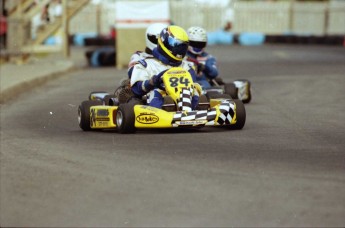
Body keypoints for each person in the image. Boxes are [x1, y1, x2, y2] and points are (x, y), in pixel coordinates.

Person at [129, 25, 199, 109]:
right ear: (164, 43)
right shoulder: (146, 64)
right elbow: (136, 89)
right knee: (155, 93)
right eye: (177, 47)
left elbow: (193, 84)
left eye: (182, 47)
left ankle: (195, 111)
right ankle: (160, 113)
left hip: (184, 98)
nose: (179, 51)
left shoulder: (186, 66)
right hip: (156, 102)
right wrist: (152, 81)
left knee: (196, 93)